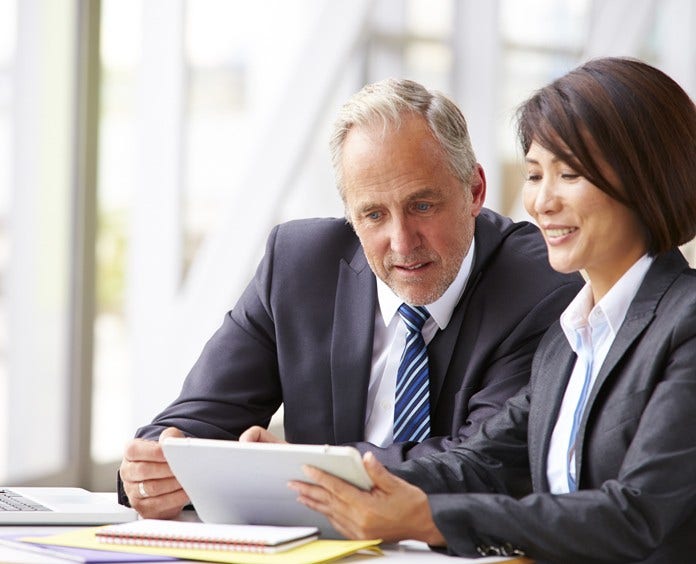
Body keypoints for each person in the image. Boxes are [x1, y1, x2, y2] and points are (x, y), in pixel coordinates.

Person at [290, 57, 696, 563]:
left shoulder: (685, 322)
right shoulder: (571, 338)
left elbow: (636, 517)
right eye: (533, 174)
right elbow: (479, 463)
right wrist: (309, 479)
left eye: (568, 173)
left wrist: (428, 519)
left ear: (648, 179)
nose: (541, 202)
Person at [118, 78, 581, 519]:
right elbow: (193, 424)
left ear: (474, 190)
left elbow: (484, 465)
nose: (402, 242)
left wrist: (308, 472)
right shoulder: (298, 266)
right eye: (374, 214)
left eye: (422, 206)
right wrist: (152, 471)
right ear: (350, 217)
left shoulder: (540, 283)